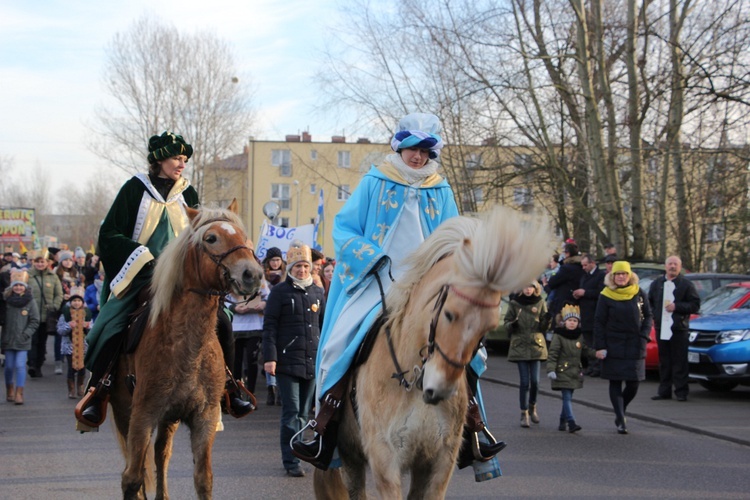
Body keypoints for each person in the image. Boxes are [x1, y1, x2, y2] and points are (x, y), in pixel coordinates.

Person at [292, 113, 504, 481]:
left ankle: (474, 426)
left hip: (430, 285)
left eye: (424, 151)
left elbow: (455, 236)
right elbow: (344, 228)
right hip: (378, 278)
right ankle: (323, 425)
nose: (418, 157)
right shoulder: (375, 181)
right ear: (400, 147)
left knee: (468, 346)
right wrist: (371, 258)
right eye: (411, 149)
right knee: (339, 341)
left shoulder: (441, 188)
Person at [78, 131, 252, 429]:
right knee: (111, 325)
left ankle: (229, 387)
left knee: (222, 322)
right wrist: (143, 256)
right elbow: (109, 234)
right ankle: (100, 388)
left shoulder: (188, 193)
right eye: (176, 158)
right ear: (159, 160)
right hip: (142, 275)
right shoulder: (134, 190)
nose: (181, 164)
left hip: (184, 279)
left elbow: (203, 237)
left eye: (184, 159)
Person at [262, 240, 326, 477]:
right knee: (291, 412)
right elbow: (269, 327)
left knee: (304, 414)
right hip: (287, 362)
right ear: (290, 268)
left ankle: (299, 452)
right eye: (298, 266)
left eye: (306, 267)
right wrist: (270, 358)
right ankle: (290, 461)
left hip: (311, 360)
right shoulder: (279, 292)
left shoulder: (318, 292)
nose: (302, 271)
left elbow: (324, 326)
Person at [594, 261, 653, 434]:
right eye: (618, 274)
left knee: (634, 382)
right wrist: (600, 346)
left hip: (635, 343)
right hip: (613, 344)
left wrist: (644, 335)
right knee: (615, 381)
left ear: (629, 276)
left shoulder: (639, 293)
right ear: (612, 276)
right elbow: (599, 322)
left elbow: (648, 316)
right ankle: (621, 419)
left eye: (624, 274)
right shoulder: (605, 295)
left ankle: (621, 408)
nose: (621, 277)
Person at [648, 255, 700, 402]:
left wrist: (677, 307)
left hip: (679, 328)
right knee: (664, 361)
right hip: (661, 327)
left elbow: (695, 305)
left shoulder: (686, 284)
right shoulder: (657, 283)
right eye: (670, 264)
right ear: (665, 266)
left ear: (680, 267)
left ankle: (681, 392)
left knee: (679, 361)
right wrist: (653, 316)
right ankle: (664, 391)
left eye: (675, 264)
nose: (672, 267)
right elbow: (649, 302)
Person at [504, 281, 549, 428]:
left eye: (531, 287)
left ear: (536, 289)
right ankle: (524, 413)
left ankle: (532, 406)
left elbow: (543, 325)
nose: (528, 290)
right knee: (524, 382)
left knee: (535, 382)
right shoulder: (515, 303)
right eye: (525, 287)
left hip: (536, 345)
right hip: (520, 345)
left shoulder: (540, 302)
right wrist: (512, 325)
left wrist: (547, 321)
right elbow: (507, 323)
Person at [547, 304, 597, 432]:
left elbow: (584, 350)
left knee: (568, 397)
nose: (572, 323)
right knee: (567, 397)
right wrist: (551, 369)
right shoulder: (558, 336)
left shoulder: (579, 336)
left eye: (575, 321)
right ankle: (571, 422)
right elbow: (553, 353)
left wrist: (596, 354)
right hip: (562, 371)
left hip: (575, 372)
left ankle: (562, 421)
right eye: (569, 320)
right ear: (564, 322)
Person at [227, 268, 269, 396]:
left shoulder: (259, 279)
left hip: (254, 325)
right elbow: (222, 299)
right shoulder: (230, 278)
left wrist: (263, 304)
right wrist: (234, 308)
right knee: (236, 362)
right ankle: (236, 393)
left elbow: (268, 296)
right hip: (235, 327)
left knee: (252, 361)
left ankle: (251, 393)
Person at [3, 269, 40, 404]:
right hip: (8, 339)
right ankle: (9, 389)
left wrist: (26, 334)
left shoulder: (30, 301)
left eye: (21, 285)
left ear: (25, 287)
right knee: (8, 366)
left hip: (23, 340)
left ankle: (19, 393)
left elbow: (35, 320)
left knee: (20, 365)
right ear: (12, 287)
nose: (18, 288)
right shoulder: (5, 301)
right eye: (16, 285)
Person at [27, 250, 63, 378]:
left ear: (47, 263)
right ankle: (32, 364)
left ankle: (38, 365)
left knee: (42, 341)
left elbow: (59, 294)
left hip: (46, 316)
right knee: (32, 340)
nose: (40, 264)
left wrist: (54, 306)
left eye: (42, 262)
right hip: (31, 316)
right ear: (34, 263)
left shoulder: (53, 277)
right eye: (37, 262)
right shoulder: (28, 276)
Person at [572, 253, 605, 376]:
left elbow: (601, 293)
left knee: (595, 341)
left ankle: (597, 367)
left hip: (595, 313)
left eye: (585, 265)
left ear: (592, 263)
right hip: (585, 313)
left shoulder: (601, 276)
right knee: (587, 342)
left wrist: (585, 293)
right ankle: (591, 366)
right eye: (582, 265)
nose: (583, 267)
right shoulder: (584, 276)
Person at [261, 246, 286, 405]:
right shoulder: (263, 278)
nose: (275, 263)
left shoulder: (285, 278)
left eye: (278, 260)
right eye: (273, 260)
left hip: (282, 318)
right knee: (270, 353)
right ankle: (271, 387)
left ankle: (278, 388)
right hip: (264, 317)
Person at [57, 286, 91, 399]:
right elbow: (60, 330)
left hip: (83, 346)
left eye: (79, 301)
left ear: (82, 302)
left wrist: (88, 326)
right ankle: (71, 390)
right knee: (71, 368)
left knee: (82, 368)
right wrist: (69, 326)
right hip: (69, 346)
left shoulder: (87, 313)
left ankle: (80, 386)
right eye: (74, 301)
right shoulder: (65, 314)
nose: (76, 303)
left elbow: (93, 328)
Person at [544, 242, 584, 324]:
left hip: (564, 302)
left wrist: (546, 283)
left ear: (567, 253)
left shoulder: (566, 268)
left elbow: (552, 282)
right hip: (578, 302)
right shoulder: (581, 266)